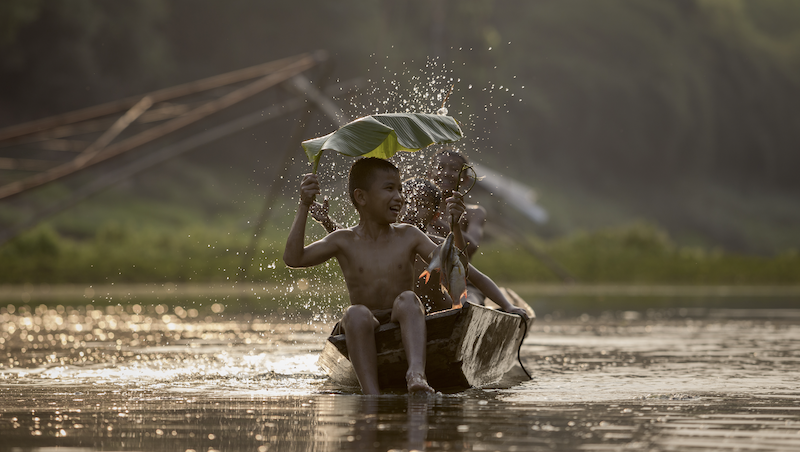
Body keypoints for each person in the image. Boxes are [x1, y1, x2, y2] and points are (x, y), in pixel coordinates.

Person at [284, 158, 526, 396]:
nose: (400, 197)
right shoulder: (343, 239)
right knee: (355, 313)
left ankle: (416, 375)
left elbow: (457, 269)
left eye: (400, 189)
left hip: (400, 316)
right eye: (390, 189)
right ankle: (371, 393)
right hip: (367, 322)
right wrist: (304, 205)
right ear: (361, 197)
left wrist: (454, 226)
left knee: (409, 299)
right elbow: (294, 258)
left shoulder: (409, 235)